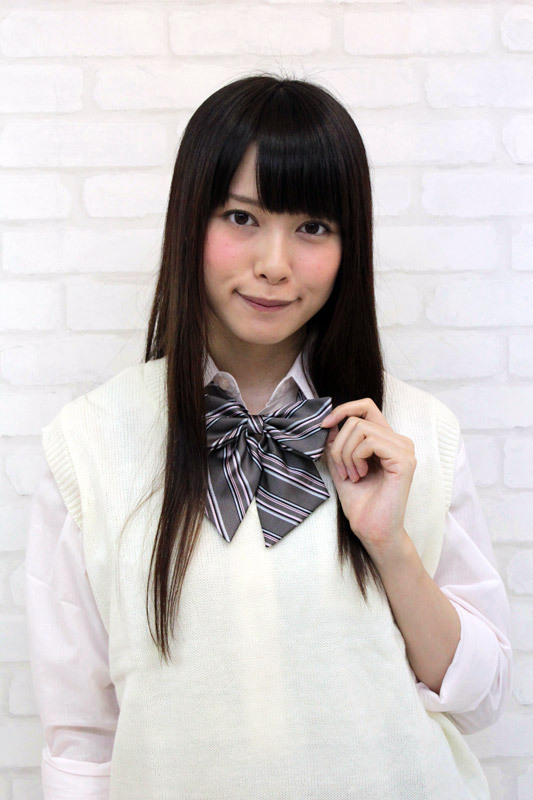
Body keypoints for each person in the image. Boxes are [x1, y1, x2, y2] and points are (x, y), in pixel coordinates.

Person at [25, 74, 512, 800]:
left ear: (349, 245)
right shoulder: (91, 443)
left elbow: (478, 700)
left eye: (312, 227)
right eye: (241, 217)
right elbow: (81, 739)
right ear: (189, 222)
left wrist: (390, 546)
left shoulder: (414, 434)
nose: (275, 264)